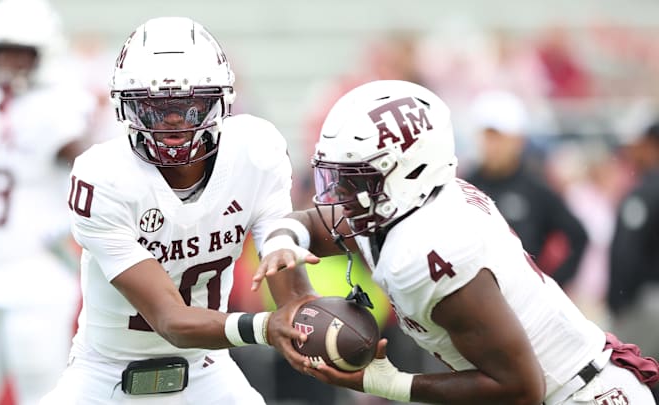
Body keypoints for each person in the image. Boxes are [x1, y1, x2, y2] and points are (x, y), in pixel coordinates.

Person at [252, 80, 659, 404]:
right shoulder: (404, 207)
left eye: (353, 179)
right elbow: (308, 223)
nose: (338, 193)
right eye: (335, 176)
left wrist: (390, 384)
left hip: (578, 395)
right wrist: (283, 245)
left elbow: (519, 390)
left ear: (405, 172)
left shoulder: (426, 248)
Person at [40, 16, 316, 404]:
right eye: (154, 108)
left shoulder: (256, 152)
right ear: (126, 106)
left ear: (220, 100)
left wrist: (320, 324)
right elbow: (170, 319)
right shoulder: (103, 175)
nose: (172, 123)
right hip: (105, 375)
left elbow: (289, 288)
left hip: (208, 368)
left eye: (190, 106)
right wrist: (266, 326)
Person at [0, 0, 97, 404]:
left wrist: (59, 227)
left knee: (43, 393)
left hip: (37, 275)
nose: (10, 62)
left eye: (21, 52)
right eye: (2, 51)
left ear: (44, 53)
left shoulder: (59, 106)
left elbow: (89, 168)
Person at [464, 89, 588, 287]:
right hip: (473, 303)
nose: (492, 146)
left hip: (523, 307)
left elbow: (578, 235)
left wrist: (550, 285)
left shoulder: (536, 189)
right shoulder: (464, 186)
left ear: (518, 140)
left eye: (499, 137)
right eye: (488, 137)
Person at [609, 119, 659, 401]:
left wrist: (619, 300)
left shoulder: (646, 191)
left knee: (625, 378)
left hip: (648, 303)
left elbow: (626, 253)